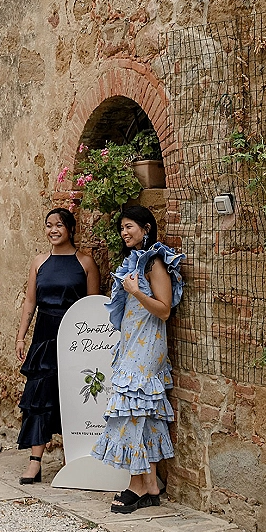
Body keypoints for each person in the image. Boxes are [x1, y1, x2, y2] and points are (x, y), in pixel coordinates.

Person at [91, 205, 184, 513]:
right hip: (133, 342)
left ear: (146, 228)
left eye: (129, 226)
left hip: (148, 347)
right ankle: (152, 484)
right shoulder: (135, 262)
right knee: (145, 411)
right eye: (122, 228)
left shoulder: (155, 262)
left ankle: (136, 484)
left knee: (130, 410)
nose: (125, 232)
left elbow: (164, 309)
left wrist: (135, 290)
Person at [16, 208, 100, 484]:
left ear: (70, 229)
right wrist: (21, 337)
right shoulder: (39, 262)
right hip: (44, 333)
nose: (53, 230)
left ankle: (72, 457)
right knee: (39, 396)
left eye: (59, 225)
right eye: (49, 225)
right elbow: (30, 301)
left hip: (76, 337)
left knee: (75, 394)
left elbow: (93, 306)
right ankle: (34, 461)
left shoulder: (86, 262)